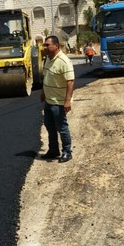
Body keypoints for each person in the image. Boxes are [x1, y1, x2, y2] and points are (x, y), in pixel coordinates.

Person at [40, 35, 75, 163]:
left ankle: (67, 152)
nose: (45, 47)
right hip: (49, 101)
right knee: (49, 126)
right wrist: (43, 92)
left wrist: (67, 101)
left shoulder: (64, 61)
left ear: (56, 46)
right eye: (44, 45)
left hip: (59, 102)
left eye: (47, 45)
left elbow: (70, 81)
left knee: (62, 127)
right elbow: (46, 77)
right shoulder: (47, 59)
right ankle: (54, 150)